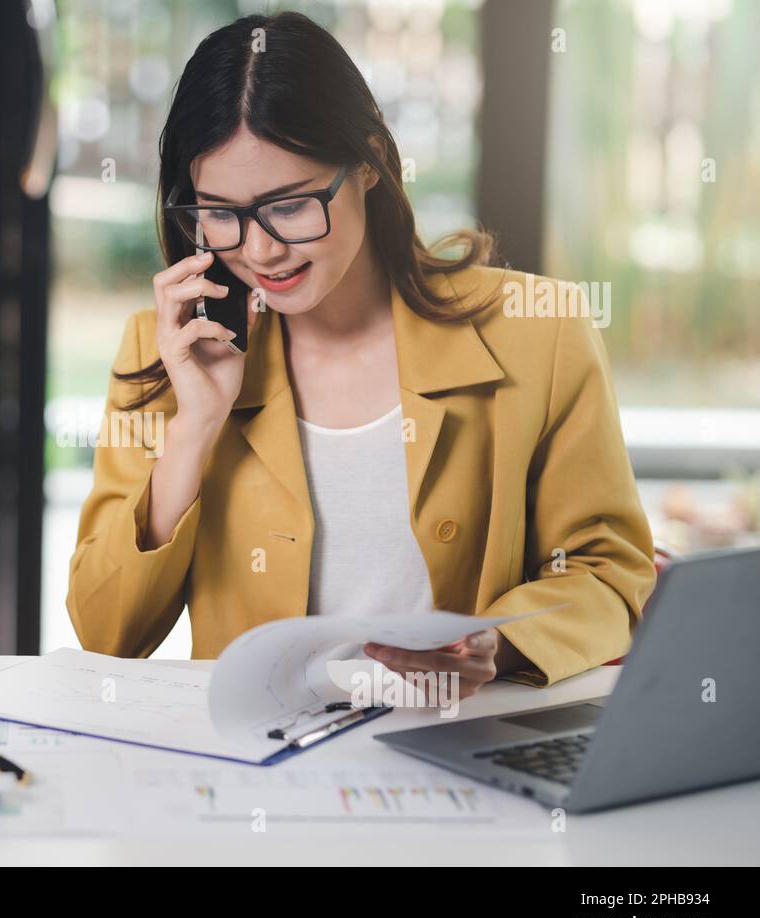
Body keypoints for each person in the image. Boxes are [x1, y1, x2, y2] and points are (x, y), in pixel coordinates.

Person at [66, 11, 656, 698]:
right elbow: (105, 633)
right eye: (220, 213)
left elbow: (609, 573)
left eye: (289, 206)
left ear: (370, 161)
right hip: (254, 772)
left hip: (457, 760)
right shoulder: (170, 350)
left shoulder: (538, 330)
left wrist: (502, 642)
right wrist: (195, 426)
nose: (259, 251)